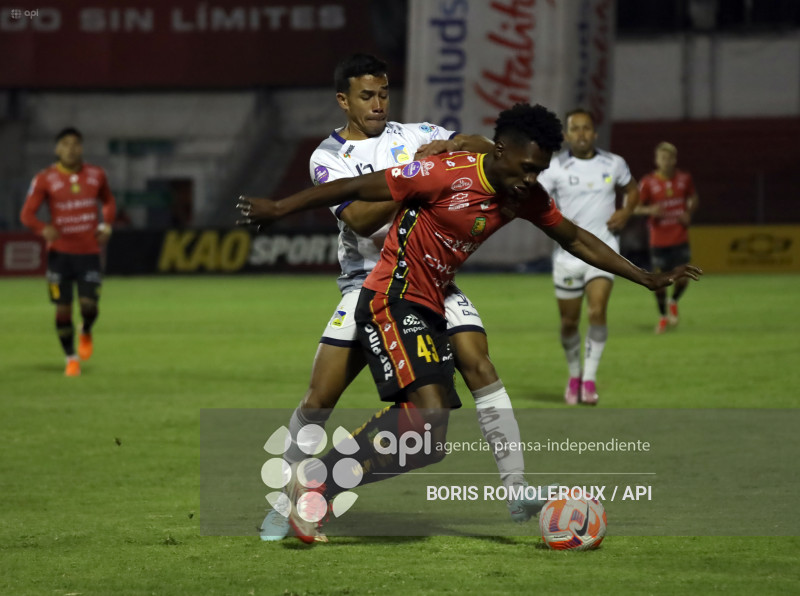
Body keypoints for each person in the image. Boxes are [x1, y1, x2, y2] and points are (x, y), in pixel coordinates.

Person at [238, 102, 701, 542]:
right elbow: (357, 188)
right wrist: (278, 209)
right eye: (524, 167)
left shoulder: (524, 196)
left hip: (434, 299)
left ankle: (326, 483)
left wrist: (644, 277)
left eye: (538, 171)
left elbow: (576, 238)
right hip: (391, 297)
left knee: (429, 440)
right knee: (411, 411)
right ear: (499, 153)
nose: (530, 179)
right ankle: (310, 488)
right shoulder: (445, 174)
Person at [259, 53, 548, 541]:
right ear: (343, 100)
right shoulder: (327, 158)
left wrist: (456, 147)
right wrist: (423, 168)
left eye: (384, 93)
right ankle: (287, 494)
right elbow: (360, 220)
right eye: (366, 96)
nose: (377, 104)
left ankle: (516, 486)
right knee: (321, 396)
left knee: (480, 363)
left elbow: (481, 146)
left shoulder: (413, 133)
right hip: (367, 284)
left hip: (432, 280)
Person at [535, 109, 640, 406]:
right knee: (569, 323)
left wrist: (626, 211)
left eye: (586, 128)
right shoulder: (554, 168)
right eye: (575, 129)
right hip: (568, 256)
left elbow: (633, 190)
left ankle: (590, 380)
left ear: (594, 133)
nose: (581, 134)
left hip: (604, 250)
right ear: (566, 136)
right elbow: (536, 199)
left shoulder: (614, 163)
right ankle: (574, 375)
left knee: (596, 312)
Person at [20, 127, 116, 377]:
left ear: (81, 148)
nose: (71, 148)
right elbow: (27, 214)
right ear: (57, 149)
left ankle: (85, 329)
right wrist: (43, 228)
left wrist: (106, 225)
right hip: (60, 254)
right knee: (62, 309)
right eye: (65, 143)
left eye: (76, 144)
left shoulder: (96, 175)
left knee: (89, 306)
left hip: (89, 252)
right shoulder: (45, 178)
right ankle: (71, 358)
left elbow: (108, 201)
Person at [635, 141, 699, 334]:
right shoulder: (648, 182)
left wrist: (689, 212)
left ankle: (674, 301)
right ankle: (663, 317)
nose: (666, 161)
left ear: (674, 159)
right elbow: (636, 208)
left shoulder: (684, 179)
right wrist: (650, 209)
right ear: (657, 160)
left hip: (679, 237)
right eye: (662, 158)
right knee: (660, 282)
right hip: (658, 240)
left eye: (669, 157)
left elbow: (693, 198)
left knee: (683, 279)